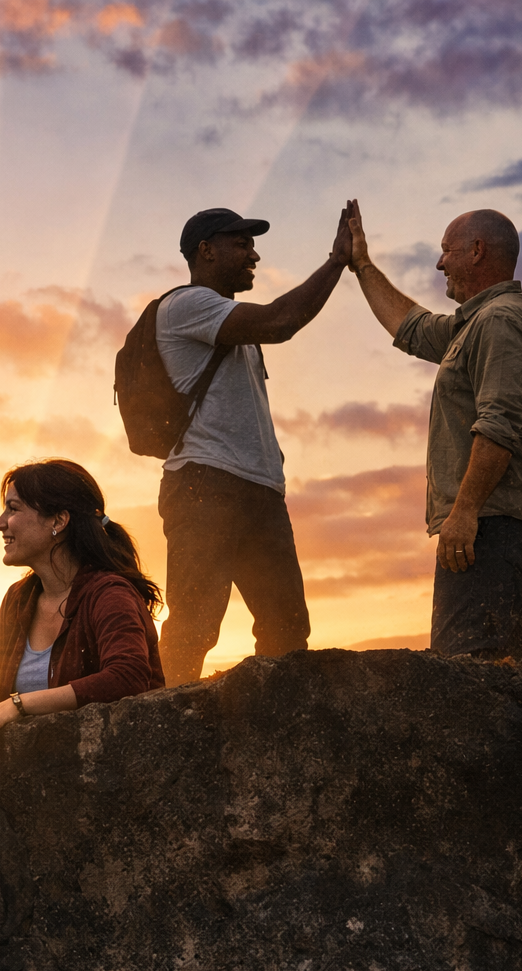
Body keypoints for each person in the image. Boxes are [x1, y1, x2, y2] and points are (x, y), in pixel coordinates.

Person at [344, 201, 522, 658]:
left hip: (493, 525)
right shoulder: (477, 324)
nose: (439, 262)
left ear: (477, 251)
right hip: (509, 524)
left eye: (447, 251)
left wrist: (464, 513)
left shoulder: (501, 321)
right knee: (514, 677)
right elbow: (412, 327)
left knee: (462, 675)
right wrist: (361, 266)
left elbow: (499, 425)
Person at [156, 206, 354, 683]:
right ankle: (158, 740)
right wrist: (336, 262)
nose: (254, 255)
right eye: (241, 244)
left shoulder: (231, 326)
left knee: (287, 629)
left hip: (258, 490)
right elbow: (279, 321)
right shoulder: (186, 305)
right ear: (205, 251)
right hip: (204, 483)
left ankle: (278, 740)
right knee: (195, 626)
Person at [0, 459, 165, 761]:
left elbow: (126, 677)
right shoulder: (19, 599)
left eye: (13, 509)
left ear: (58, 521)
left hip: (113, 777)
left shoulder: (109, 594)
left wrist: (17, 704)